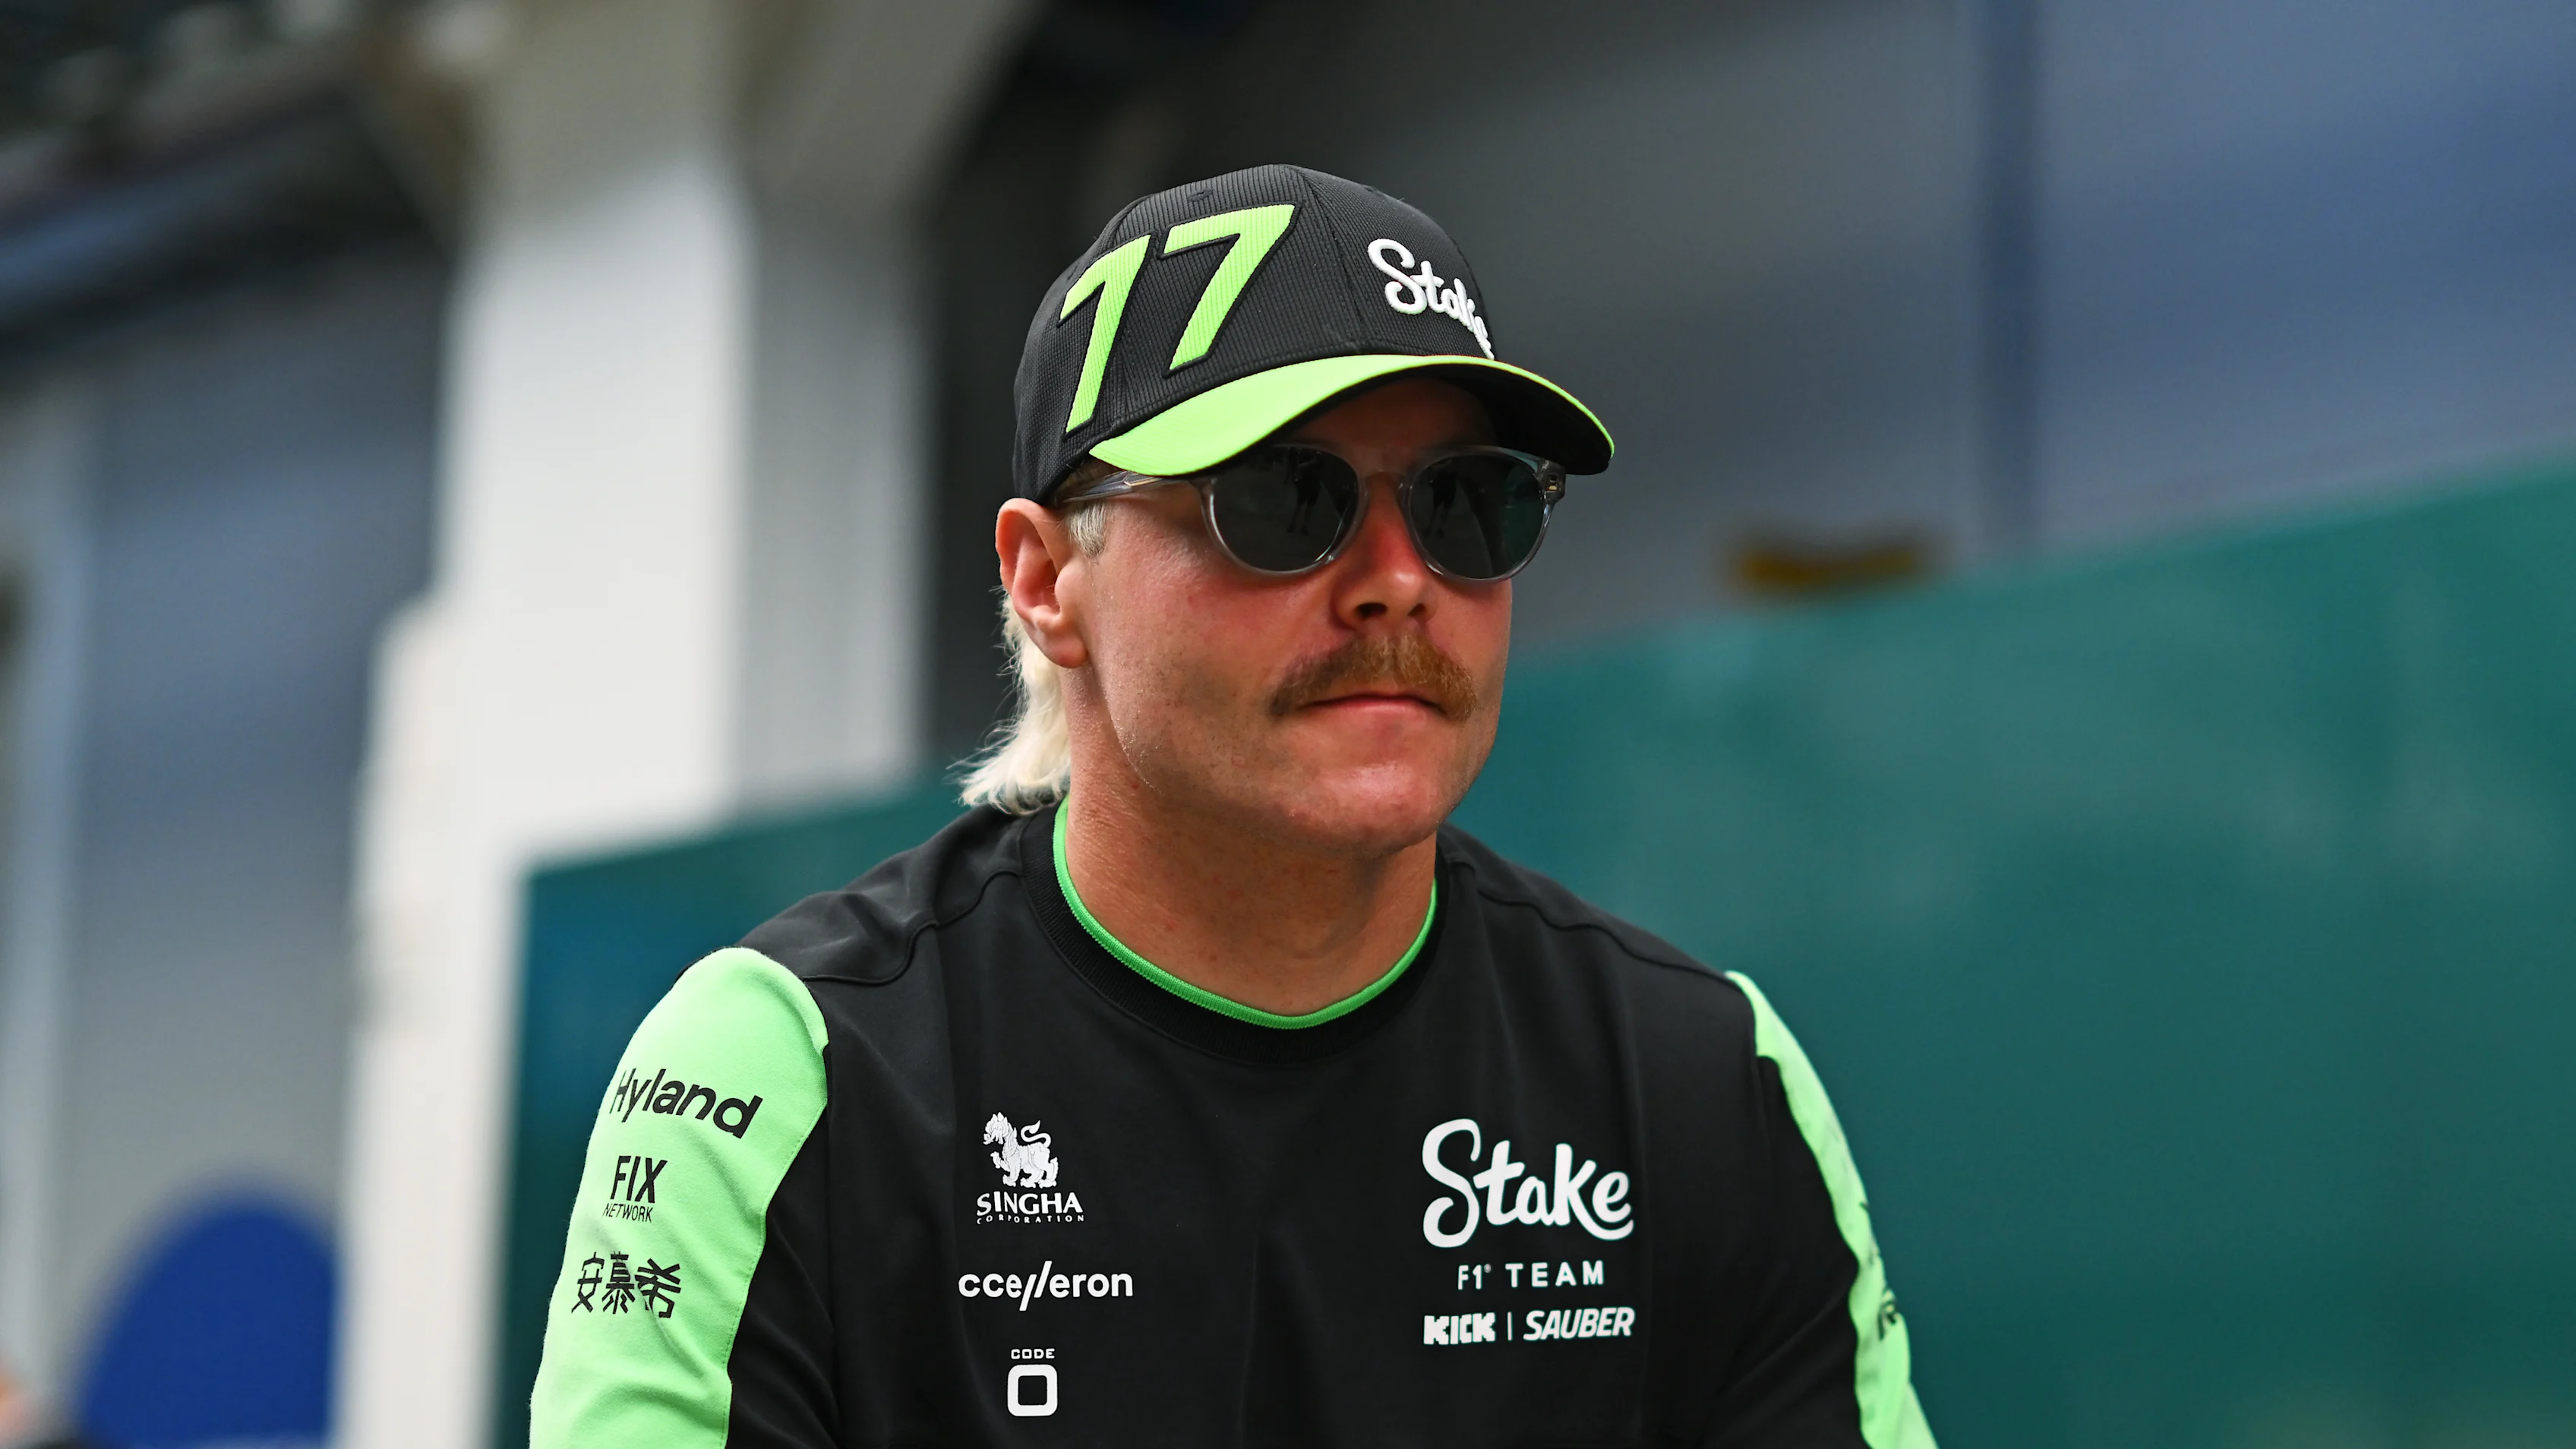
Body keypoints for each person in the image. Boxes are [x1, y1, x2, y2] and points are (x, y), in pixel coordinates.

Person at [529, 164, 1936, 1447]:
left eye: (1469, 503)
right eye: (1283, 498)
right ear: (1044, 580)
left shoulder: (1703, 1081)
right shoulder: (788, 1074)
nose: (1397, 577)